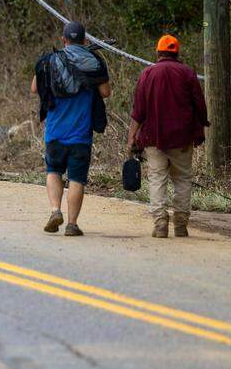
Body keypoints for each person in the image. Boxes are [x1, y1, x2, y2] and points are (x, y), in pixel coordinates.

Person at [31, 20, 111, 236]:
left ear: (63, 40)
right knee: (76, 179)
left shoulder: (49, 61)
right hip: (80, 135)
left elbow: (34, 88)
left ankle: (55, 210)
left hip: (54, 132)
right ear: (85, 40)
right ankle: (72, 224)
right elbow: (105, 92)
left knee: (53, 171)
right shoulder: (94, 61)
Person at [125, 34, 209, 237]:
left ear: (158, 52)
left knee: (157, 178)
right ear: (177, 53)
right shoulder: (188, 73)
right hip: (182, 138)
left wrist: (131, 138)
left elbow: (139, 111)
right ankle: (181, 224)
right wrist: (200, 130)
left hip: (153, 139)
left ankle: (160, 223)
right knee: (182, 180)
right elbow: (200, 107)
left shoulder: (148, 73)